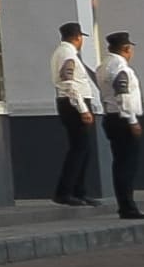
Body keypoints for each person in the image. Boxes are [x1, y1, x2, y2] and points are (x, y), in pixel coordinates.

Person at [44, 17, 106, 210]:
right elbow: (68, 82)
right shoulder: (67, 55)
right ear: (78, 37)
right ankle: (65, 192)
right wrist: (82, 108)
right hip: (73, 104)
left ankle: (79, 191)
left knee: (83, 149)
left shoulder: (64, 53)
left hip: (71, 103)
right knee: (79, 149)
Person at [98, 30, 144, 218]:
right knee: (127, 165)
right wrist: (132, 120)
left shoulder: (103, 65)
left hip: (110, 117)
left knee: (120, 163)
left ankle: (125, 204)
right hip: (122, 119)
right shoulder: (121, 68)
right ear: (126, 49)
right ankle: (127, 206)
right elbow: (123, 95)